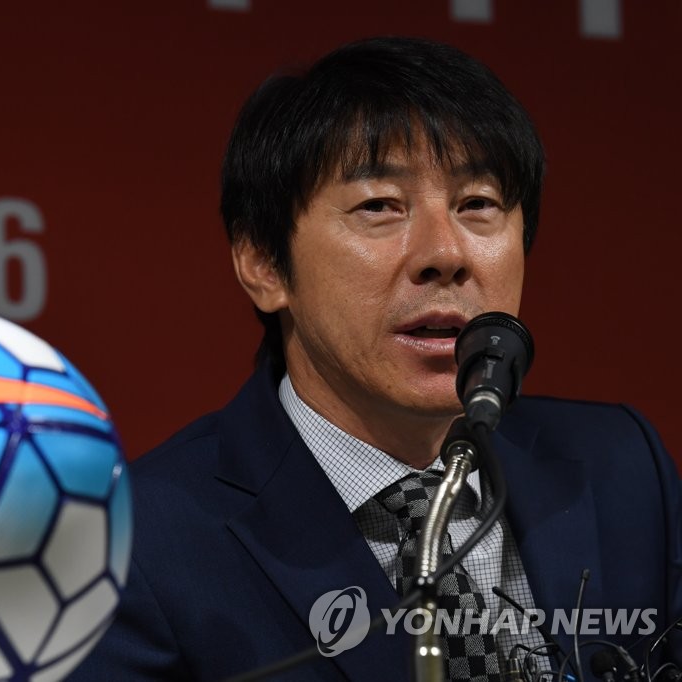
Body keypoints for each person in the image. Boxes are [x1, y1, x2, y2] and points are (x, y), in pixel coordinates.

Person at [71, 37, 682, 681]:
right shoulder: (137, 545)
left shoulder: (622, 468)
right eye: (380, 207)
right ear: (263, 264)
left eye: (477, 204)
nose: (445, 254)